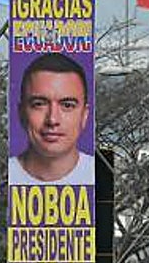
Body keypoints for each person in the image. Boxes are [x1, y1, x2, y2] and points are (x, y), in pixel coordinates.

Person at [9, 52, 94, 185]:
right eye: (39, 104)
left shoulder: (100, 175)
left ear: (84, 115)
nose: (52, 120)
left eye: (67, 105)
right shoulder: (2, 176)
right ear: (21, 113)